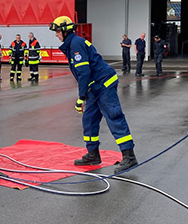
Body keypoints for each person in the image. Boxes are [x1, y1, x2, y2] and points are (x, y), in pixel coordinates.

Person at [51, 16, 138, 172]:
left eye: (57, 31)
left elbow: (84, 72)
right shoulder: (72, 43)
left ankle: (129, 157)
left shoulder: (76, 43)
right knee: (89, 119)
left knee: (114, 116)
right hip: (94, 86)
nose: (56, 35)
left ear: (65, 31)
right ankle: (93, 154)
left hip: (103, 84)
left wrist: (81, 97)